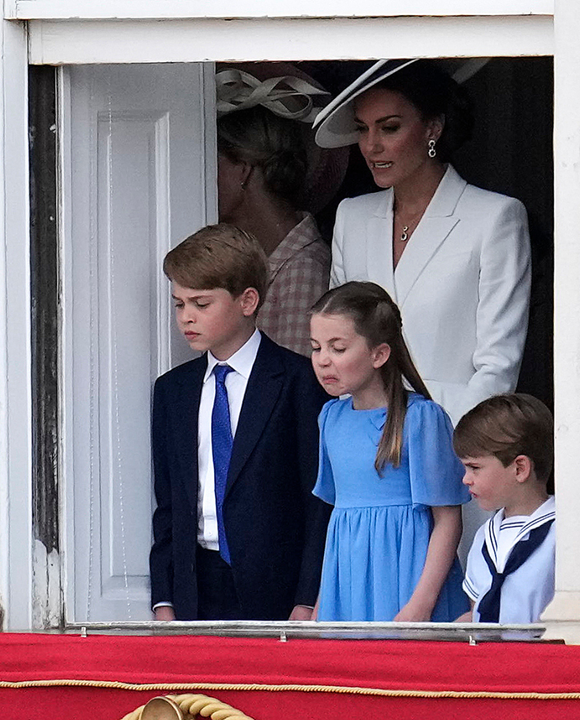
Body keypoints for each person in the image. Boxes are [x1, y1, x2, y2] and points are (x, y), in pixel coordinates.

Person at [313, 59, 532, 424]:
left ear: (433, 127)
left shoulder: (494, 217)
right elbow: (336, 336)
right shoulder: (352, 217)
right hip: (363, 434)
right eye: (362, 129)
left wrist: (444, 440)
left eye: (390, 128)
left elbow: (497, 367)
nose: (371, 146)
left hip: (454, 436)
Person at [149, 223, 331, 621]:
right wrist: (164, 597)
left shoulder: (299, 382)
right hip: (196, 585)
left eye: (201, 304)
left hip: (277, 587)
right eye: (179, 304)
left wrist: (308, 595)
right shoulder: (172, 392)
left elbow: (317, 500)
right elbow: (170, 503)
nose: (186, 318)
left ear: (247, 301)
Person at [309, 281, 471, 622]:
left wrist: (421, 603)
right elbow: (338, 522)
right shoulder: (330, 418)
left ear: (379, 354)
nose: (323, 361)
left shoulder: (421, 418)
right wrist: (323, 604)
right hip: (349, 584)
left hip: (407, 579)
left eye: (337, 348)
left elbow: (448, 519)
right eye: (316, 347)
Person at [216, 66, 340, 355]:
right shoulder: (264, 260)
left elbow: (295, 386)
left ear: (243, 170)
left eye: (214, 163)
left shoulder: (303, 271)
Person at [452, 394, 556, 624]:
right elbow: (476, 608)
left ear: (520, 468)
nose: (466, 479)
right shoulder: (484, 538)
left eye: (474, 467)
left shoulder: (561, 534)